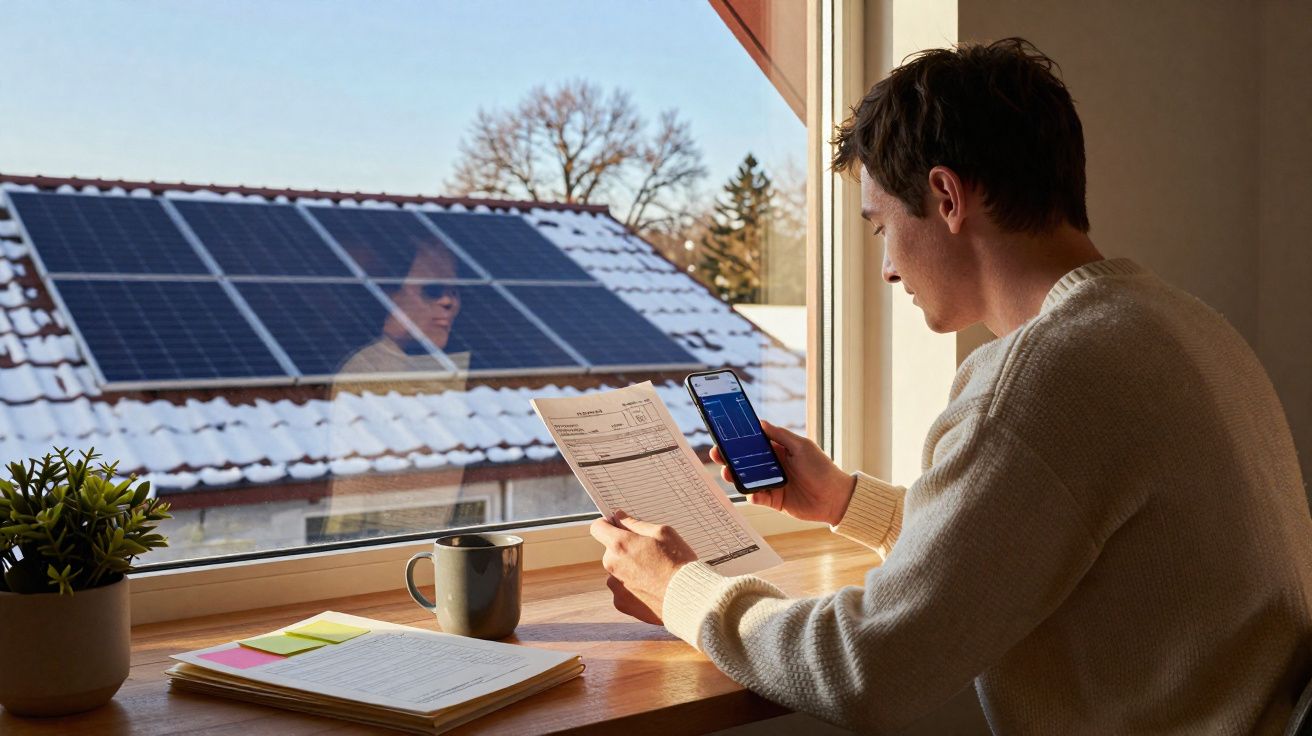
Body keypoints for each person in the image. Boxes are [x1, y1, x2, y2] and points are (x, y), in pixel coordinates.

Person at [589, 37, 1312, 734]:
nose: (887, 270)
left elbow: (867, 669)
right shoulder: (1178, 324)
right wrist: (847, 502)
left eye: (880, 229)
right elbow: (1020, 550)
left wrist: (682, 590)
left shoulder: (1045, 378)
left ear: (945, 196)